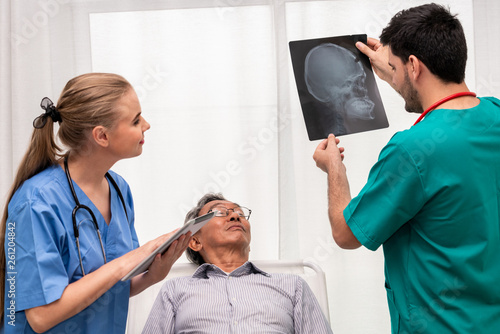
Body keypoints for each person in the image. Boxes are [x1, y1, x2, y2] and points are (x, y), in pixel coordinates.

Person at [313, 3, 500, 333]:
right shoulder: (495, 114)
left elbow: (345, 233)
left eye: (396, 68)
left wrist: (334, 169)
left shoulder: (412, 149)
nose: (392, 75)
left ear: (414, 66)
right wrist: (395, 72)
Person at [0, 73, 191, 333]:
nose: (146, 125)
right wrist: (126, 262)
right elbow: (41, 317)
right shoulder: (37, 201)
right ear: (102, 136)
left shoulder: (118, 188)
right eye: (135, 120)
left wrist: (150, 277)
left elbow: (113, 287)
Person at [142, 193, 332, 334]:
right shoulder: (174, 290)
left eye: (239, 213)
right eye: (219, 213)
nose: (235, 216)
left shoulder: (292, 286)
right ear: (195, 241)